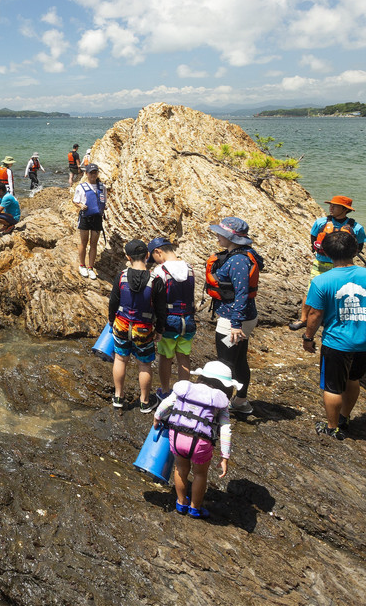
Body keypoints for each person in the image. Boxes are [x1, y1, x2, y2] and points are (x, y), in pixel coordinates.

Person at [303, 230, 366, 440]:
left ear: (327, 253)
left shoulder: (321, 281)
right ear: (355, 250)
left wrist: (308, 337)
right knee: (353, 378)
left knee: (333, 387)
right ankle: (345, 417)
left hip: (337, 343)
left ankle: (332, 427)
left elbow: (315, 314)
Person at [153, 361, 239, 519]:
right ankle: (195, 508)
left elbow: (166, 404)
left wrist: (157, 418)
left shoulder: (186, 388)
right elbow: (225, 429)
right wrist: (224, 456)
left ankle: (180, 502)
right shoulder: (220, 401)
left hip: (177, 436)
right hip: (201, 442)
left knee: (180, 469)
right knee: (200, 475)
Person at [205, 217, 264, 416]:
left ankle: (219, 407)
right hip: (243, 317)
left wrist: (236, 323)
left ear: (231, 237)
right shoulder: (242, 254)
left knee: (225, 364)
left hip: (234, 319)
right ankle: (240, 401)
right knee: (238, 361)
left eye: (221, 233)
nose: (217, 236)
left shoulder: (238, 260)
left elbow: (241, 293)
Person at [289, 196, 366, 330]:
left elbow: (359, 247)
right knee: (311, 291)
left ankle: (333, 319)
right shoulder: (320, 223)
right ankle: (303, 319)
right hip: (320, 263)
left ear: (344, 209)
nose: (330, 208)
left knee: (340, 293)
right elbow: (313, 241)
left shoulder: (357, 228)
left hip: (342, 266)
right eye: (330, 205)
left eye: (335, 206)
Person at [108, 240, 166, 412]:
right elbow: (161, 309)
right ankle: (145, 402)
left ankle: (118, 396)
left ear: (128, 257)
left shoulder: (121, 276)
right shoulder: (156, 280)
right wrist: (160, 330)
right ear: (147, 256)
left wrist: (111, 320)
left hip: (122, 325)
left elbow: (113, 302)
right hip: (144, 329)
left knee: (120, 359)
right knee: (145, 365)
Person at [148, 237, 197, 394]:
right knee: (184, 357)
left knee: (165, 357)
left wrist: (156, 324)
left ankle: (165, 390)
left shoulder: (160, 271)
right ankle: (183, 393)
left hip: (170, 320)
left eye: (154, 257)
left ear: (158, 252)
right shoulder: (189, 268)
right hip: (188, 320)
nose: (154, 261)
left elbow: (156, 299)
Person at [73, 164, 106, 279]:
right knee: (84, 242)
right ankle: (82, 265)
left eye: (95, 172)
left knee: (94, 243)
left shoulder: (102, 187)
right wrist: (81, 205)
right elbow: (75, 200)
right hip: (85, 218)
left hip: (97, 218)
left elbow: (104, 202)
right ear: (86, 174)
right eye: (91, 172)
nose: (93, 175)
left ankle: (90, 267)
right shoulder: (81, 187)